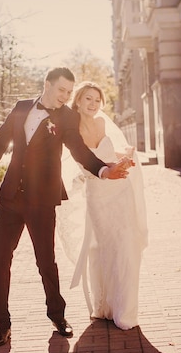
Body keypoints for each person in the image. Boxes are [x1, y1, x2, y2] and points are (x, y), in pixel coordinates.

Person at [0, 67, 132, 347]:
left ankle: (57, 316)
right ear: (46, 85)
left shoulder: (66, 117)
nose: (65, 96)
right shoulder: (21, 108)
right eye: (62, 90)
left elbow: (78, 149)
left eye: (69, 92)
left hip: (42, 199)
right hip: (11, 198)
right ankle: (1, 325)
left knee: (46, 261)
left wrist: (103, 170)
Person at [58, 81, 148, 330]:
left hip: (121, 191)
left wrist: (125, 157)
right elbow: (82, 160)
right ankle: (104, 306)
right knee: (103, 248)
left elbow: (113, 154)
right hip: (97, 194)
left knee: (126, 246)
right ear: (77, 100)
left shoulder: (103, 123)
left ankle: (124, 309)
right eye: (88, 98)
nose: (93, 104)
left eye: (97, 100)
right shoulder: (70, 129)